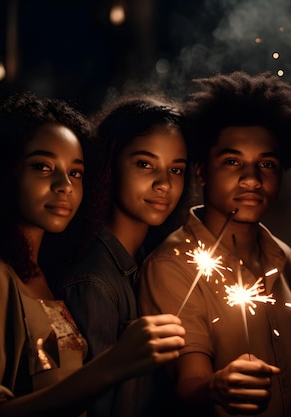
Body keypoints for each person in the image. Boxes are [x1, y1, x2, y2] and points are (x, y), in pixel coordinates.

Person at [0, 91, 185, 417]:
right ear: (2, 172)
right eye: (43, 167)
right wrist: (113, 365)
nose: (64, 186)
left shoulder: (38, 270)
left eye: (76, 173)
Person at [137, 71, 291, 417]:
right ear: (201, 172)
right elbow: (189, 381)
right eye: (232, 162)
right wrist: (216, 386)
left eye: (266, 164)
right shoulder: (173, 265)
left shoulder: (283, 255)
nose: (251, 178)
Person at [51, 94, 191, 417]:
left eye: (177, 169)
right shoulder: (93, 281)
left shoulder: (148, 260)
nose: (164, 184)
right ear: (110, 163)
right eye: (145, 164)